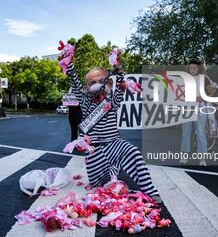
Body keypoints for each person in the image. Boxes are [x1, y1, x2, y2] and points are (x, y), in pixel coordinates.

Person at [66, 53, 162, 203]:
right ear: (87, 87)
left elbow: (121, 85)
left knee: (133, 152)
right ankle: (111, 179)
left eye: (101, 81)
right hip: (94, 154)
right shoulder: (84, 101)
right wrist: (69, 65)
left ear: (109, 84)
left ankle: (150, 190)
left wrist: (118, 67)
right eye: (92, 82)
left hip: (114, 145)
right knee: (102, 186)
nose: (97, 84)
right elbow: (75, 82)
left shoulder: (112, 100)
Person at [180, 60, 216, 167]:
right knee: (185, 133)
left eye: (194, 68)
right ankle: (184, 156)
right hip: (187, 108)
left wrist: (203, 97)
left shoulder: (204, 78)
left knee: (201, 134)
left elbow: (213, 90)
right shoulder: (185, 79)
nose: (192, 70)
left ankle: (202, 159)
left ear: (198, 68)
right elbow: (179, 93)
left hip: (201, 108)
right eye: (190, 68)